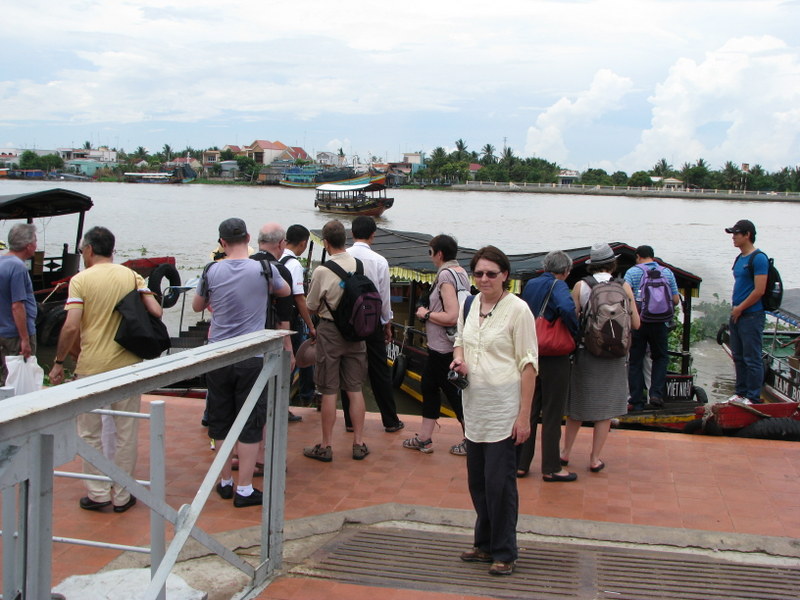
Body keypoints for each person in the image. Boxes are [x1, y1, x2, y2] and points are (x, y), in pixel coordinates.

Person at [49, 226, 163, 513]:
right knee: (126, 432)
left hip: (92, 366)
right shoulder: (131, 276)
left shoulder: (80, 280)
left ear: (88, 249)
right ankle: (123, 494)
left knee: (89, 433)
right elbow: (157, 312)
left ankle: (98, 493)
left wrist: (59, 362)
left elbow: (71, 326)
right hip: (127, 365)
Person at [450, 245, 537, 576]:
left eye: (491, 273)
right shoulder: (471, 304)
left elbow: (529, 365)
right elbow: (460, 340)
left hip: (504, 410)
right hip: (474, 408)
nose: (484, 279)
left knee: (500, 486)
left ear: (505, 276)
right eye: (478, 273)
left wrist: (524, 416)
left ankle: (504, 551)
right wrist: (459, 359)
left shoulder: (518, 310)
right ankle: (484, 543)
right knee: (479, 482)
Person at [192, 218, 289, 507]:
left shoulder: (211, 270)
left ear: (222, 242)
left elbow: (197, 306)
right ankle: (244, 489)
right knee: (250, 422)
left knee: (221, 420)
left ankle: (224, 481)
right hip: (251, 357)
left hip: (218, 356)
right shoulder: (264, 269)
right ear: (248, 238)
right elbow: (284, 291)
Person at [561, 243, 640, 473]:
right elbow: (636, 323)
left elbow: (572, 320)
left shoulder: (581, 286)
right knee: (605, 409)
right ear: (613, 263)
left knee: (577, 405)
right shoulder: (624, 286)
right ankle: (595, 459)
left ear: (591, 265)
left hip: (587, 352)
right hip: (615, 355)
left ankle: (565, 453)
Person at [303, 219, 369, 462]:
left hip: (330, 332)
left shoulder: (322, 271)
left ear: (326, 243)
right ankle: (358, 443)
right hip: (356, 332)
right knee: (355, 388)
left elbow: (310, 306)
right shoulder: (358, 265)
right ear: (346, 239)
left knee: (329, 390)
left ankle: (326, 445)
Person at [403, 234, 469, 455]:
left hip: (443, 348)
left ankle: (471, 440)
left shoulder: (445, 276)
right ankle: (425, 438)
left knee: (453, 393)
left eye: (430, 252)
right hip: (446, 346)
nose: (430, 257)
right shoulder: (461, 273)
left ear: (439, 254)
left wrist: (426, 314)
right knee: (429, 387)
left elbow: (452, 315)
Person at [517, 250, 578, 481]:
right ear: (565, 271)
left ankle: (521, 463)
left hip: (531, 352)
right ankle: (552, 467)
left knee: (529, 409)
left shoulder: (531, 284)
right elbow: (567, 309)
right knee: (552, 413)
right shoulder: (559, 285)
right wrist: (574, 331)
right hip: (554, 356)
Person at [341, 216, 404, 433]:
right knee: (380, 371)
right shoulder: (380, 261)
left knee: (348, 369)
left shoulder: (342, 257)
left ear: (352, 233)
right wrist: (387, 323)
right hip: (372, 321)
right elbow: (384, 297)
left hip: (348, 323)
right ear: (373, 235)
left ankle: (350, 421)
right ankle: (390, 421)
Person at [252, 222, 301, 422]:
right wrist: (288, 350)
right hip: (270, 338)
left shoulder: (246, 265)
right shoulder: (281, 271)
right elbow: (283, 318)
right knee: (272, 381)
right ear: (281, 244)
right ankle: (276, 417)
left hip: (244, 339)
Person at [624, 245, 680, 410]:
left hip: (639, 322)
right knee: (660, 358)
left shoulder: (632, 272)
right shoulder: (667, 272)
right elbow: (676, 299)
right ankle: (656, 394)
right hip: (660, 323)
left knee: (635, 360)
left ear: (638, 256)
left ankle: (635, 399)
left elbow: (626, 297)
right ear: (652, 256)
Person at [725, 219, 768, 404]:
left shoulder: (758, 258)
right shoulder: (739, 258)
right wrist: (736, 310)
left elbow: (759, 290)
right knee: (738, 357)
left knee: (752, 358)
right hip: (737, 314)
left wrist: (741, 308)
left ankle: (753, 396)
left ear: (747, 235)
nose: (733, 237)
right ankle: (740, 393)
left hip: (751, 315)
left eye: (736, 233)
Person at [280, 224, 317, 406]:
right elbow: (299, 298)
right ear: (303, 243)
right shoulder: (294, 264)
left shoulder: (277, 258)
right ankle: (305, 396)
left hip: (275, 320)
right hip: (291, 320)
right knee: (300, 359)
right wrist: (311, 325)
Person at [0, 224, 38, 385]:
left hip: (3, 331)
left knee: (6, 376)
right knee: (16, 379)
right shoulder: (18, 267)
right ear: (28, 245)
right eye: (35, 241)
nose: (36, 245)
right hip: (15, 334)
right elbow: (17, 305)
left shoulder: (2, 262)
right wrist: (25, 339)